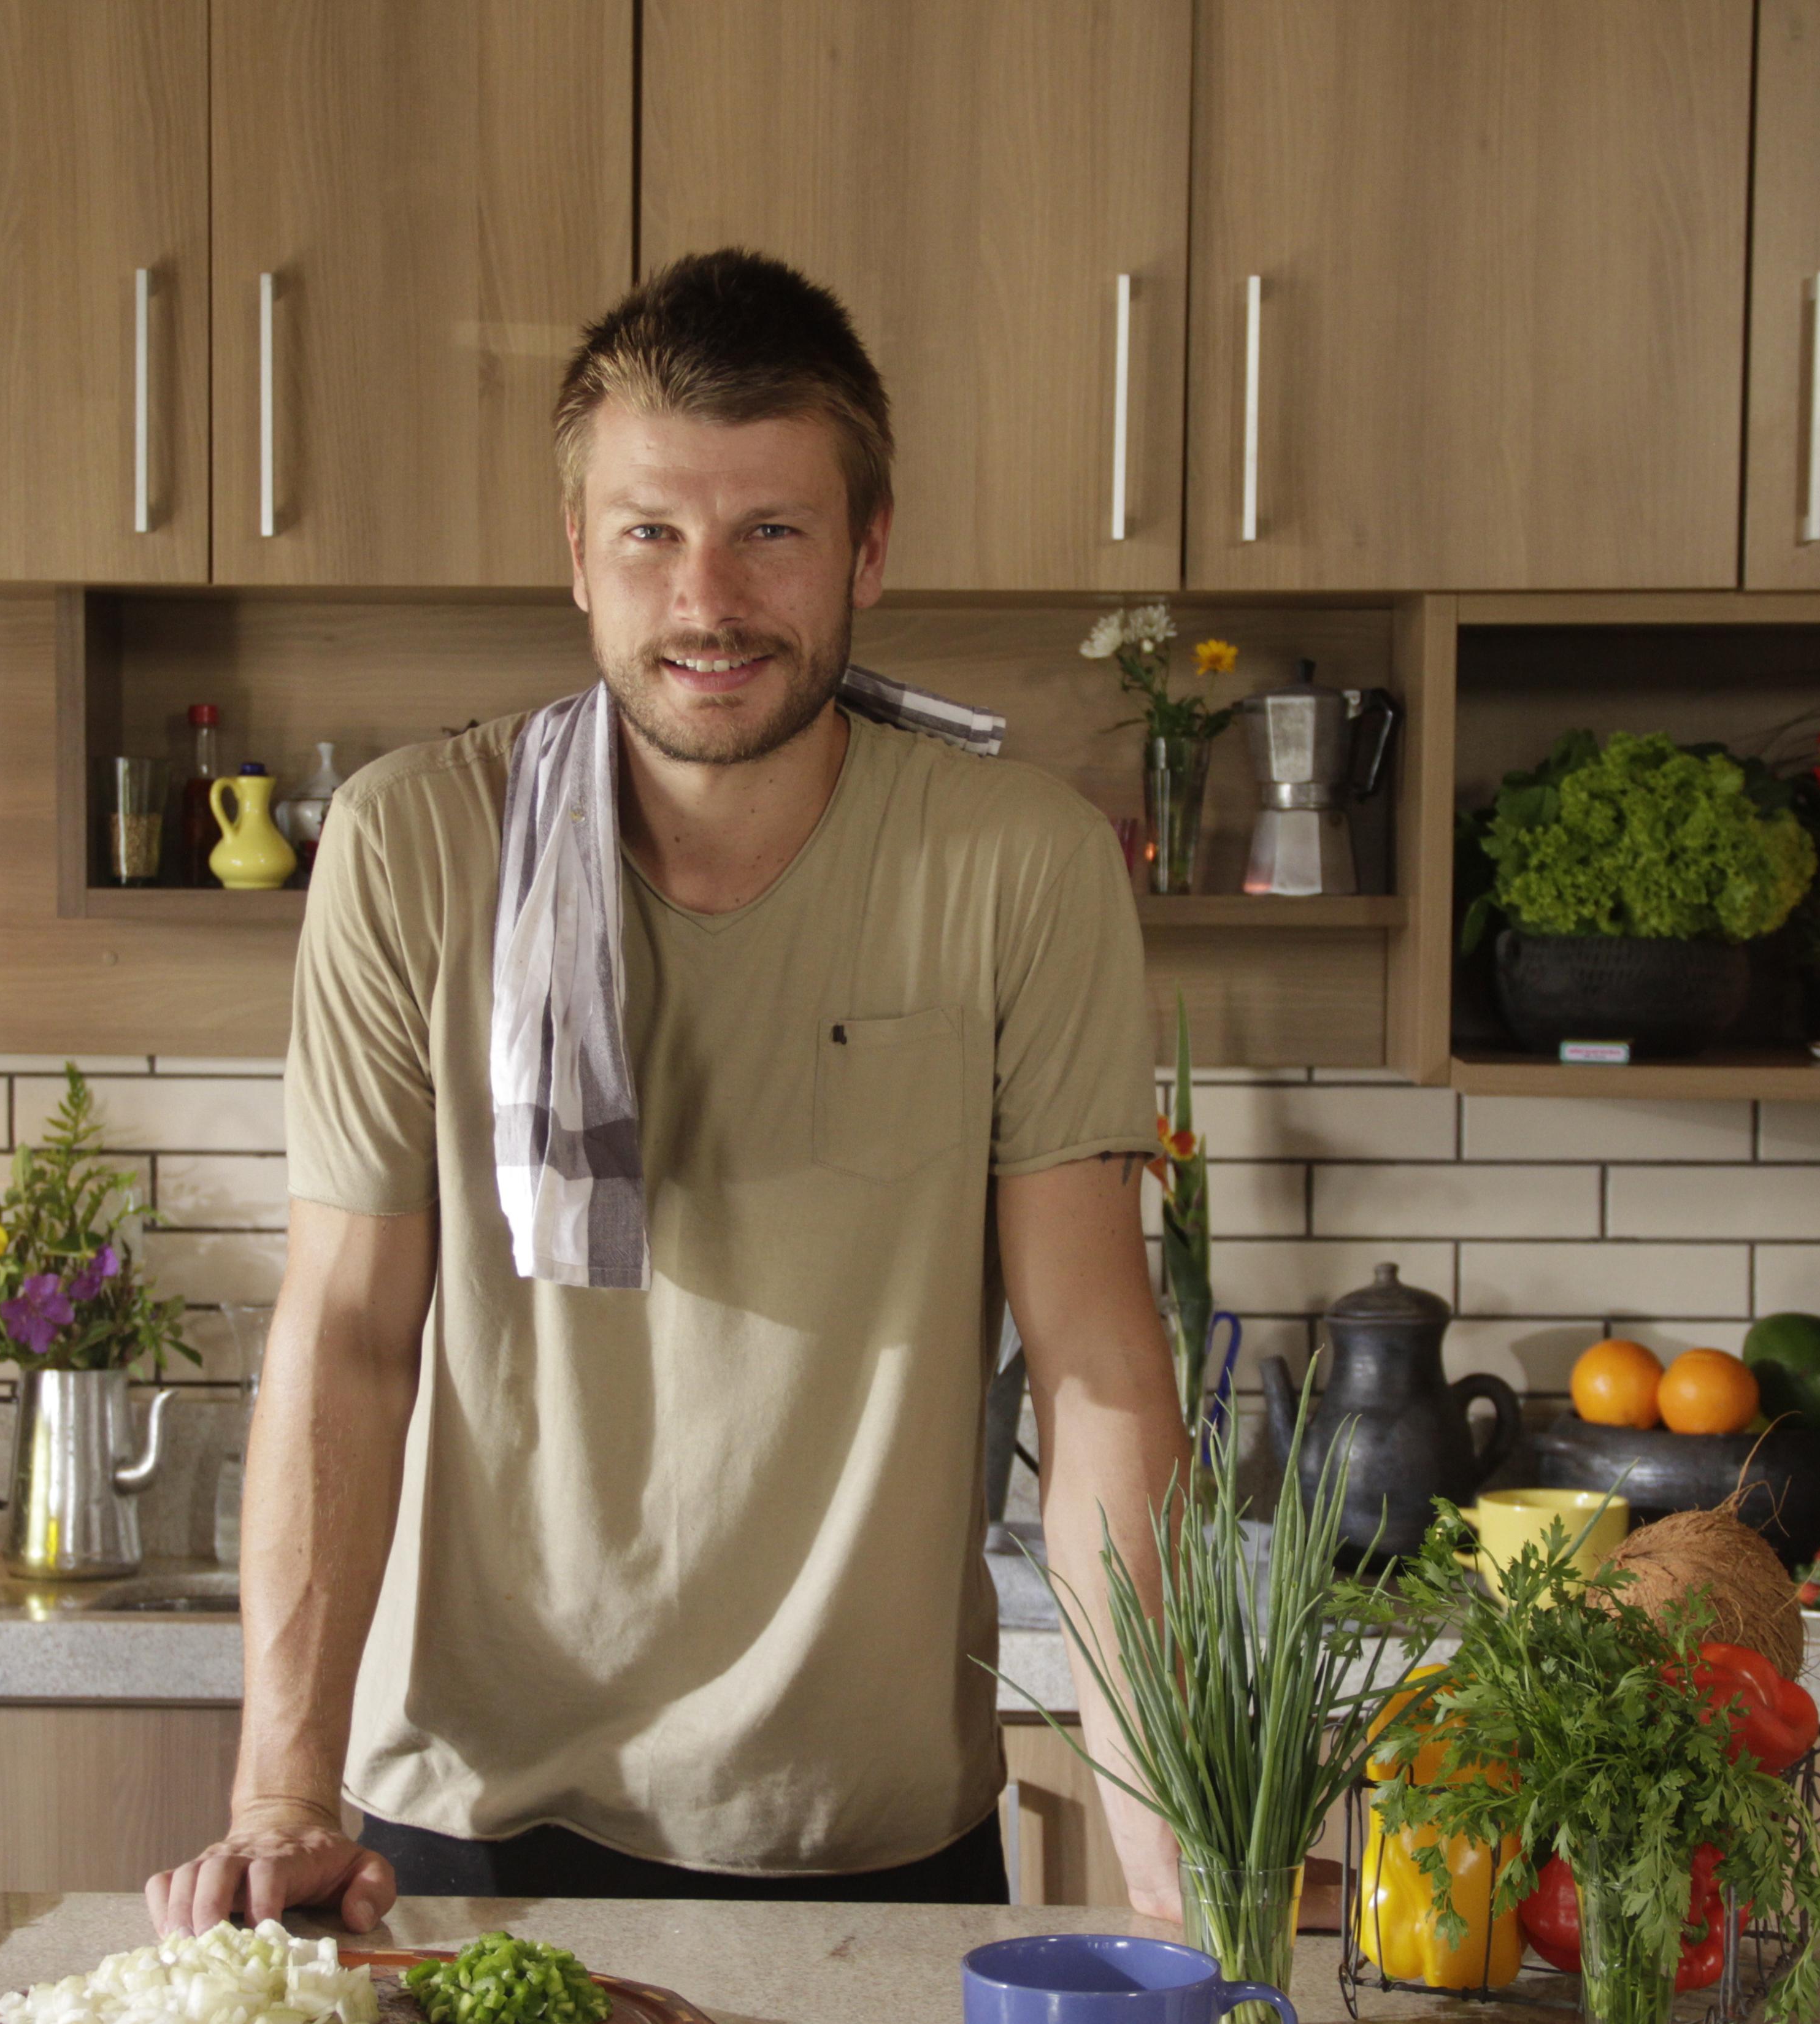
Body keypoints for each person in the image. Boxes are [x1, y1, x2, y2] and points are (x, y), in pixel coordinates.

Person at [145, 250, 1187, 1936]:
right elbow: (343, 1336)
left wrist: (1171, 1857)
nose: (708, 598)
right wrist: (284, 1790)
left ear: (868, 547)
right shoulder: (417, 847)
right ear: (577, 555)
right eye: (650, 533)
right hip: (460, 1817)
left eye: (771, 530)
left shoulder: (1024, 867)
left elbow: (1100, 1375)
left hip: (867, 1833)